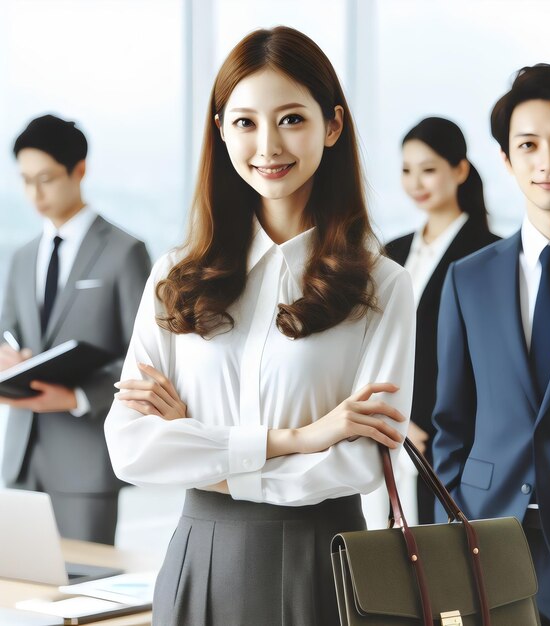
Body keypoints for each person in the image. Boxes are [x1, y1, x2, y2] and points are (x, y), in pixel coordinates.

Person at [104, 26, 414, 625]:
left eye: (291, 118)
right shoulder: (177, 275)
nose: (268, 144)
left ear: (332, 126)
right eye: (245, 122)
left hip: (325, 565)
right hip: (200, 559)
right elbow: (132, 449)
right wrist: (299, 438)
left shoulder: (382, 285)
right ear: (220, 131)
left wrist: (198, 442)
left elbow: (358, 465)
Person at [432, 63, 550, 625]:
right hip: (489, 553)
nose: (548, 160)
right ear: (506, 159)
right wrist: (457, 530)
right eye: (529, 144)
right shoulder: (468, 278)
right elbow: (451, 423)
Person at [0, 114, 151, 545]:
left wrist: (78, 396)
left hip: (86, 460)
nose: (35, 193)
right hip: (22, 458)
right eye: (26, 180)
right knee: (24, 600)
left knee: (86, 594)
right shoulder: (22, 257)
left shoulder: (125, 253)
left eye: (45, 178)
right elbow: (7, 331)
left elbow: (145, 358)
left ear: (78, 170)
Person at [385, 117, 498, 524]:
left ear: (460, 170)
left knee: (445, 565)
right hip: (392, 433)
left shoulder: (490, 254)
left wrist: (419, 422)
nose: (416, 182)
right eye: (406, 170)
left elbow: (486, 359)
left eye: (428, 169)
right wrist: (393, 418)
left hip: (450, 438)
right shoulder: (391, 252)